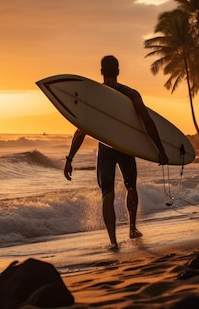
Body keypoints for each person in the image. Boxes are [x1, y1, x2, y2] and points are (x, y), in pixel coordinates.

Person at [64, 55, 169, 251]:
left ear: (101, 72)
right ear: (118, 71)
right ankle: (132, 228)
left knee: (107, 194)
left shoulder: (94, 96)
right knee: (131, 187)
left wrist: (70, 158)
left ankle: (113, 241)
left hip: (106, 150)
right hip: (126, 148)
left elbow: (81, 130)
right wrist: (160, 150)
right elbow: (147, 122)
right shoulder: (131, 94)